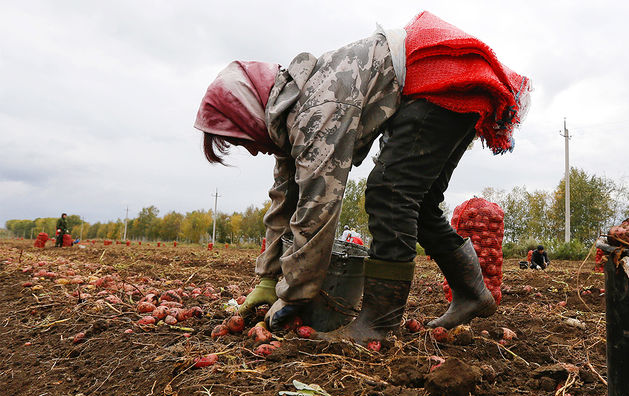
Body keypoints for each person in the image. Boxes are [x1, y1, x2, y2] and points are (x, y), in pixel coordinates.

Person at [195, 11, 530, 346]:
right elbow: (287, 196)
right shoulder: (291, 114)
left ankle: (379, 323)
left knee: (391, 194)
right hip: (450, 77)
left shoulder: (315, 109)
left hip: (440, 73)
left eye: (240, 139)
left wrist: (294, 293)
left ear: (251, 114)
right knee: (419, 200)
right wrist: (268, 279)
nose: (251, 151)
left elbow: (318, 204)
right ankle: (472, 292)